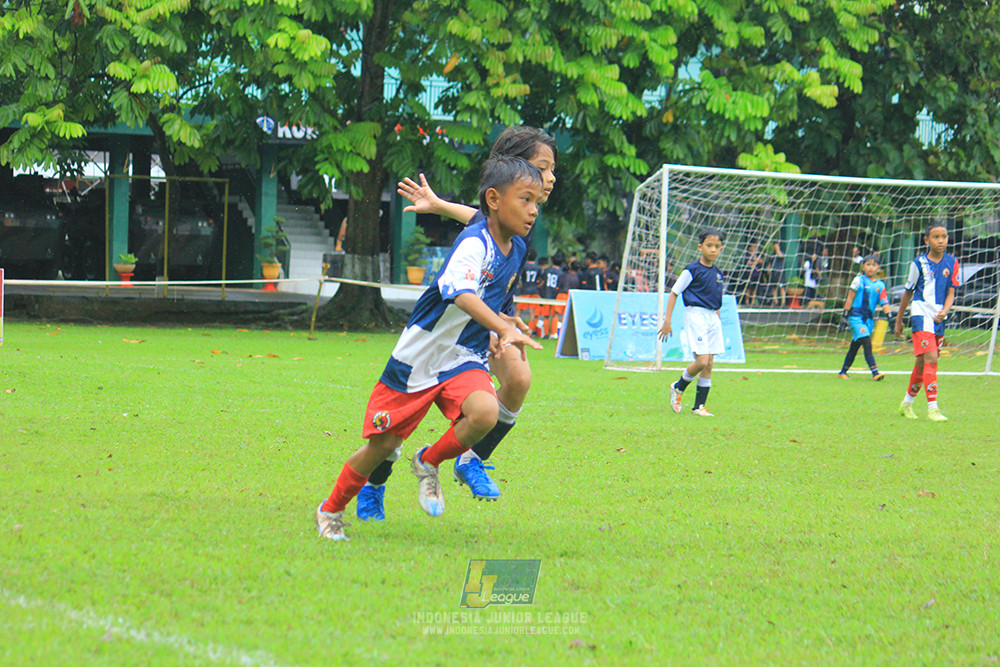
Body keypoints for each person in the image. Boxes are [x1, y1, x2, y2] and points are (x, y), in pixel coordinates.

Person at [314, 156, 545, 542]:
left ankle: (429, 461)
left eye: (537, 202)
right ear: (493, 199)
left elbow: (491, 294)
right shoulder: (473, 243)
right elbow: (461, 295)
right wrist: (501, 326)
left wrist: (506, 319)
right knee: (383, 445)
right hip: (418, 359)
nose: (534, 210)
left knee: (485, 412)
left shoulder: (517, 247)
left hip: (463, 356)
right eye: (526, 199)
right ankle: (331, 508)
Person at [355, 126, 556, 519]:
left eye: (551, 171)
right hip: (448, 327)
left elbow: (477, 217)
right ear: (513, 168)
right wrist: (499, 324)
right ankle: (373, 485)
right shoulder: (490, 227)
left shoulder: (521, 220)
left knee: (517, 379)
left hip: (485, 326)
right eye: (542, 168)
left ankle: (469, 458)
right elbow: (478, 223)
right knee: (396, 424)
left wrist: (439, 205)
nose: (550, 178)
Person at [657, 228, 726, 417]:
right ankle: (678, 386)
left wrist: (717, 320)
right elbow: (674, 293)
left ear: (721, 249)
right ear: (700, 247)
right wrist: (667, 321)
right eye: (709, 245)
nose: (713, 250)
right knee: (701, 361)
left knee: (709, 363)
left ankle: (699, 406)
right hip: (696, 315)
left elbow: (716, 299)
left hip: (712, 318)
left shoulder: (718, 274)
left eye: (717, 246)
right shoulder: (691, 270)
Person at [894, 223, 959, 422]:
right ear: (926, 240)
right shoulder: (918, 263)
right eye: (936, 237)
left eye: (944, 236)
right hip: (921, 316)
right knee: (932, 359)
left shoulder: (952, 262)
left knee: (922, 365)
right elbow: (908, 292)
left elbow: (951, 292)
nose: (941, 241)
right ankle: (933, 408)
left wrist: (945, 311)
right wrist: (899, 320)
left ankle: (907, 403)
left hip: (938, 318)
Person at [837, 255, 891, 380]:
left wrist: (890, 317)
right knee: (867, 342)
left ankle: (843, 371)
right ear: (863, 266)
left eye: (874, 265)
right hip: (856, 317)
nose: (871, 268)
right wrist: (845, 315)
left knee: (854, 347)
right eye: (868, 264)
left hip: (868, 320)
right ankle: (875, 372)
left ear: (878, 268)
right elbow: (850, 297)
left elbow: (884, 302)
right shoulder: (858, 280)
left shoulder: (880, 285)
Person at [537, 255, 563, 338]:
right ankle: (553, 333)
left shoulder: (546, 271)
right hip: (556, 295)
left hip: (546, 294)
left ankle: (545, 334)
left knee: (546, 315)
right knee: (555, 315)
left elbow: (542, 282)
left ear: (552, 262)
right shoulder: (561, 273)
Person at [516, 248, 542, 330]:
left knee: (519, 310)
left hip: (525, 289)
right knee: (532, 311)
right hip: (534, 290)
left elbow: (519, 278)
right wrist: (537, 286)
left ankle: (513, 327)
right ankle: (530, 330)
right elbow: (541, 280)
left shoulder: (524, 266)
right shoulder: (538, 268)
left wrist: (520, 285)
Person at [768, 242, 786, 307]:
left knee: (781, 287)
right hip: (773, 273)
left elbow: (780, 256)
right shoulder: (772, 255)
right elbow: (769, 263)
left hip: (779, 273)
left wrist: (777, 249)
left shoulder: (782, 253)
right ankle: (775, 301)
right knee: (774, 287)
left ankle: (783, 302)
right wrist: (769, 269)